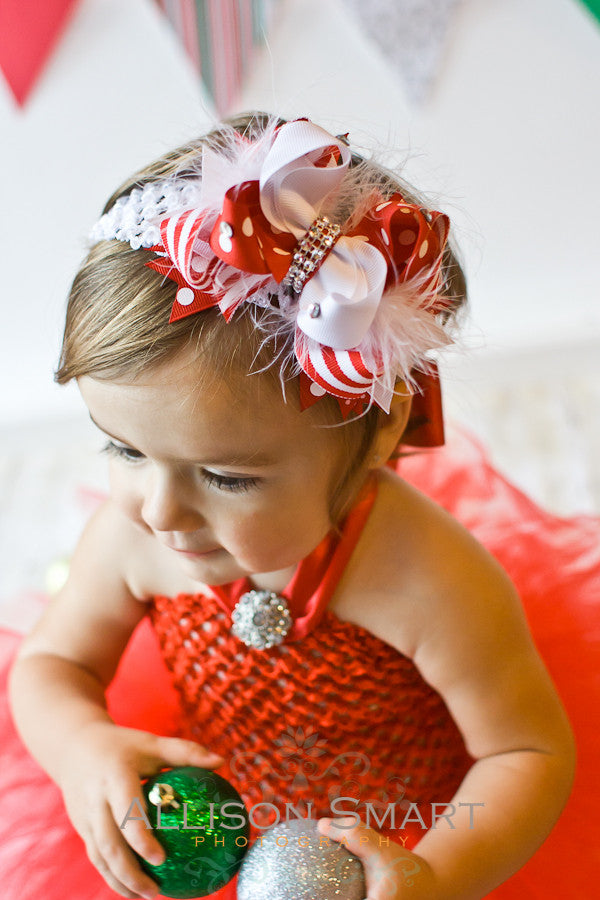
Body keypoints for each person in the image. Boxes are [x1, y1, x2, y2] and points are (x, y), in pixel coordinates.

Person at [6, 113, 579, 900]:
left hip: (412, 843)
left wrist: (437, 875)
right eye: (126, 451)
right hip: (211, 839)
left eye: (227, 477)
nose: (159, 511)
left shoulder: (431, 579)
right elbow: (51, 665)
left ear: (378, 434)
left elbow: (527, 754)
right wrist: (81, 748)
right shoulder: (130, 539)